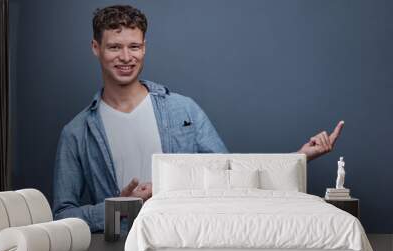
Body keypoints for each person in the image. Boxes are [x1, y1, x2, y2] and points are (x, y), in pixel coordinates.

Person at [52, 5, 344, 232]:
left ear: (145, 47)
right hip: (118, 247)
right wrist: (116, 207)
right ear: (96, 48)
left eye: (135, 46)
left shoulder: (184, 110)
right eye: (115, 47)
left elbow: (232, 177)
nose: (126, 57)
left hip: (185, 237)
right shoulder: (77, 132)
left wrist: (300, 157)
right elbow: (63, 215)